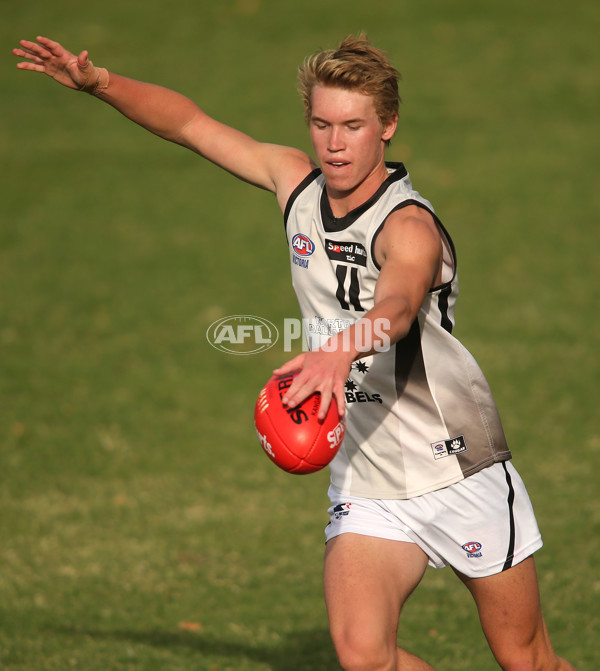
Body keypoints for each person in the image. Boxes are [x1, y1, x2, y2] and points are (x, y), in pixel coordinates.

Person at [13, 34, 574, 670]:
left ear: (387, 126)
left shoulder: (407, 225)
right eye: (322, 124)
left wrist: (338, 352)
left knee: (528, 662)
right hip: (367, 475)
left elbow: (395, 304)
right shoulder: (296, 187)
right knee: (364, 656)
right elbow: (195, 127)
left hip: (458, 467)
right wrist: (102, 84)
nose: (335, 144)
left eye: (354, 126)